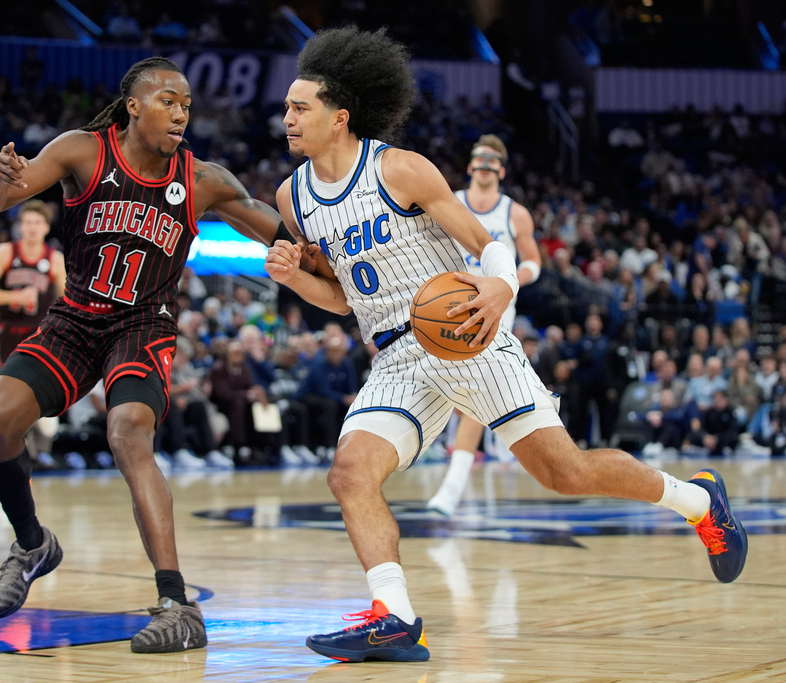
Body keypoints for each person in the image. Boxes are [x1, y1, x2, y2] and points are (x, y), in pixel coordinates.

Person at [265, 26, 747, 664]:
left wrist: (497, 289)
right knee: (350, 472)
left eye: (301, 107)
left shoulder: (398, 168)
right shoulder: (292, 197)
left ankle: (698, 499)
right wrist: (298, 277)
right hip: (396, 356)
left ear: (340, 118)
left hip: (467, 337)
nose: (288, 117)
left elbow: (488, 242)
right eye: (288, 107)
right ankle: (396, 617)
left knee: (564, 472)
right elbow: (342, 297)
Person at [0, 56, 301, 654]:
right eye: (168, 101)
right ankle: (31, 543)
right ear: (133, 105)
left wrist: (337, 257)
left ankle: (177, 604)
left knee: (127, 432)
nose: (181, 113)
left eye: (187, 106)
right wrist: (0, 177)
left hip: (143, 325)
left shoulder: (204, 181)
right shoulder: (82, 151)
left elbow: (281, 234)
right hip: (74, 319)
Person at [425, 134, 542, 516]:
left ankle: (452, 488)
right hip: (449, 305)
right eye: (480, 159)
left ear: (502, 170)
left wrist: (507, 282)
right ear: (471, 166)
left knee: (474, 398)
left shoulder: (515, 213)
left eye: (493, 161)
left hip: (493, 312)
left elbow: (533, 263)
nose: (486, 166)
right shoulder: (450, 202)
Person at [0, 199, 66, 468]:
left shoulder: (54, 258)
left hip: (40, 336)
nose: (31, 228)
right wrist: (12, 295)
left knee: (39, 402)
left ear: (46, 227)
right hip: (9, 335)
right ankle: (8, 450)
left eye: (37, 223)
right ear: (20, 226)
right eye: (27, 222)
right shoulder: (6, 252)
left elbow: (64, 300)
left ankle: (39, 449)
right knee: (7, 400)